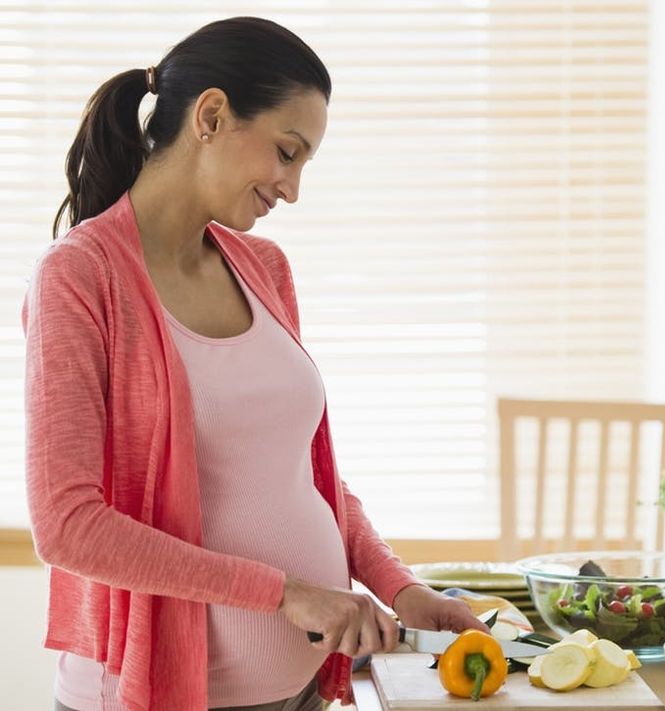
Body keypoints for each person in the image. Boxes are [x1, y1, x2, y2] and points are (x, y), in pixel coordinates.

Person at [23, 16, 488, 711]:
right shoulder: (81, 278)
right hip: (158, 696)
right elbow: (67, 525)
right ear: (211, 115)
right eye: (286, 151)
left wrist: (397, 585)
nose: (293, 188)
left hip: (301, 689)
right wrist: (286, 593)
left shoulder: (262, 267)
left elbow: (307, 475)